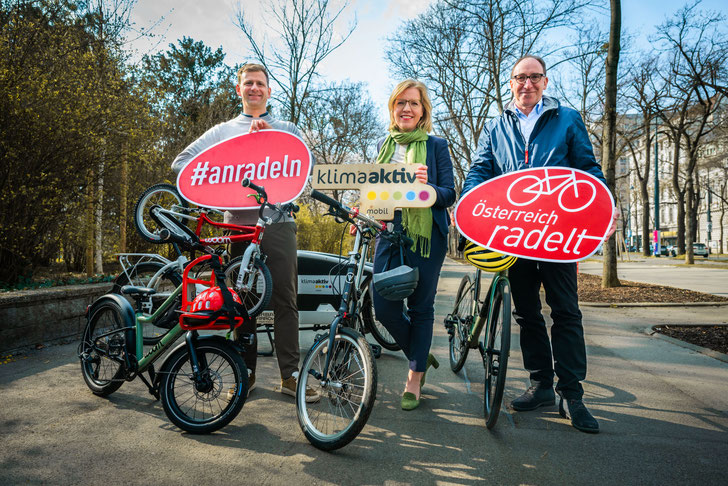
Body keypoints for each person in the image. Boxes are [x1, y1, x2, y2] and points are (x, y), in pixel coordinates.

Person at [462, 55, 615, 433]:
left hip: (559, 234)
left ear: (545, 82)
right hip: (515, 234)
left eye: (534, 77)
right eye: (519, 78)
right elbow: (481, 172)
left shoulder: (567, 119)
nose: (527, 84)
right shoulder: (496, 127)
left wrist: (603, 208)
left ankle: (572, 394)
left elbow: (588, 169)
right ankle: (542, 384)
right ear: (510, 83)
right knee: (526, 312)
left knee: (565, 310)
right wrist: (466, 205)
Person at [171, 63, 319, 403]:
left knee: (285, 299)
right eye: (248, 83)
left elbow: (304, 167)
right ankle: (245, 371)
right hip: (236, 226)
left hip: (279, 222)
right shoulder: (221, 132)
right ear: (239, 90)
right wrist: (213, 186)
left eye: (261, 84)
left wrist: (269, 140)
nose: (255, 88)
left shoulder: (287, 129)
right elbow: (182, 163)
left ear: (269, 90)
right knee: (242, 300)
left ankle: (289, 375)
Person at [371, 79, 456, 411]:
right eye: (400, 103)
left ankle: (414, 378)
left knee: (421, 307)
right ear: (393, 108)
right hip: (389, 232)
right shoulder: (383, 145)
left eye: (414, 103)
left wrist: (427, 187)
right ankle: (420, 354)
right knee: (383, 306)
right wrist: (365, 211)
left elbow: (448, 193)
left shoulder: (436, 146)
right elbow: (374, 192)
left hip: (426, 235)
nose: (407, 108)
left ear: (423, 112)